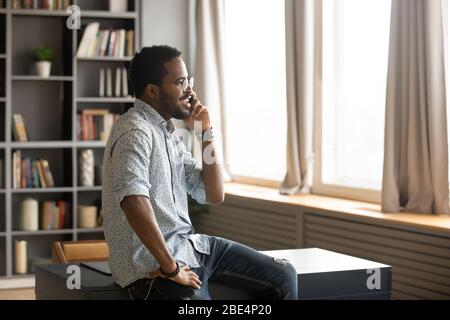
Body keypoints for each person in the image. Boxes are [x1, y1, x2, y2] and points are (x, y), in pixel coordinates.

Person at [102, 45, 298, 300]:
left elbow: (214, 193)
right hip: (153, 267)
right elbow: (134, 201)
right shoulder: (135, 133)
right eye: (180, 82)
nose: (190, 91)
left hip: (191, 248)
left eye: (188, 81)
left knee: (284, 274)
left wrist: (206, 132)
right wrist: (171, 269)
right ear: (152, 90)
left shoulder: (168, 134)